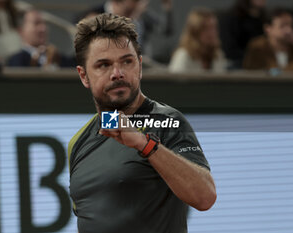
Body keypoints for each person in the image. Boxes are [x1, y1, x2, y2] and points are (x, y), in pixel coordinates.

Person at [68, 13, 216, 233]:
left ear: (139, 65)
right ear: (84, 76)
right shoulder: (77, 142)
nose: (117, 73)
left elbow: (205, 197)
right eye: (103, 65)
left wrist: (145, 145)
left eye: (127, 61)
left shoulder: (168, 122)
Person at [74, 0, 174, 61]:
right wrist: (133, 19)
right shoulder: (92, 15)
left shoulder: (142, 15)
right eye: (135, 0)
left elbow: (166, 31)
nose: (141, 4)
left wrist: (167, 9)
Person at [243, 8, 293, 73]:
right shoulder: (258, 46)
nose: (289, 30)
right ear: (268, 28)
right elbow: (269, 71)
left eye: (292, 26)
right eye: (283, 26)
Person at [7, 9, 75, 68]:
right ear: (21, 30)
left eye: (44, 23)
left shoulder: (60, 59)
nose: (43, 28)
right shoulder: (16, 61)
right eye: (36, 23)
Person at [169, 8, 227, 73]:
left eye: (214, 27)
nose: (212, 33)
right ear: (195, 31)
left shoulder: (218, 56)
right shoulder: (183, 56)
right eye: (207, 28)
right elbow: (174, 82)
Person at [218, 0, 267, 69]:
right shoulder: (231, 17)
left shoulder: (264, 18)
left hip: (262, 63)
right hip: (238, 63)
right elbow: (229, 49)